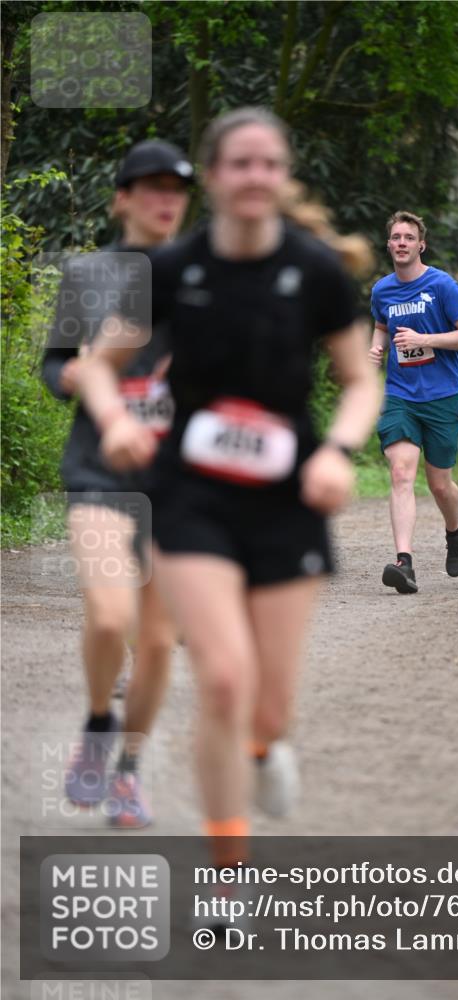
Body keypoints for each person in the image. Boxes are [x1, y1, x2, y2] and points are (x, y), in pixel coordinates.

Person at [75, 107, 381, 883]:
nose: (254, 176)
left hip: (287, 500)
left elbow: (358, 381)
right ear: (213, 177)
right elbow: (96, 366)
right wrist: (115, 421)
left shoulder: (316, 271)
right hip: (191, 499)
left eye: (268, 164)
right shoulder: (175, 268)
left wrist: (339, 451)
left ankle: (263, 743)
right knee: (220, 678)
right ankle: (227, 879)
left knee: (268, 708)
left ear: (283, 177)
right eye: (239, 163)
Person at [41, 140, 194, 826]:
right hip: (99, 467)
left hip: (177, 477)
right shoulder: (87, 273)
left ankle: (128, 773)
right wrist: (73, 375)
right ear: (122, 200)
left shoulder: (201, 275)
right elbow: (54, 363)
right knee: (109, 615)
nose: (166, 199)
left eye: (177, 189)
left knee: (158, 641)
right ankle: (99, 721)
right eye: (152, 187)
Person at [368, 211, 458, 595]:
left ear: (421, 245)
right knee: (401, 472)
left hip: (442, 395)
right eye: (396, 237)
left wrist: (425, 339)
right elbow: (381, 325)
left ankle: (455, 532)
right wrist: (376, 348)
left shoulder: (442, 285)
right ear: (389, 245)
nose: (401, 242)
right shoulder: (382, 290)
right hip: (400, 395)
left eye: (408, 237)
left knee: (440, 485)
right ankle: (405, 563)